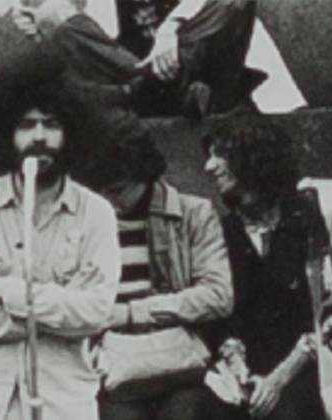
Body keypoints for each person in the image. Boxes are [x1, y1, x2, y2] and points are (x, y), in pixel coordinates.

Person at [0, 48, 121, 420]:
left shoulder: (96, 215)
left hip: (65, 403)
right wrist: (56, 314)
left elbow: (97, 310)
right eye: (26, 124)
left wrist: (7, 293)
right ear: (5, 131)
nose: (40, 136)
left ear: (71, 131)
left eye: (52, 124)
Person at [78, 130, 233, 420]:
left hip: (180, 362)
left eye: (118, 190)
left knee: (187, 412)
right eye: (100, 192)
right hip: (112, 364)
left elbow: (218, 295)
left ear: (145, 177)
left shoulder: (193, 213)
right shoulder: (88, 221)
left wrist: (132, 313)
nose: (108, 201)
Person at [199, 112, 327, 420]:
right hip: (245, 372)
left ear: (251, 159)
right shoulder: (222, 230)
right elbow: (221, 319)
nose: (208, 166)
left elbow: (325, 314)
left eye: (220, 155)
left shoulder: (307, 220)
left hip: (308, 365)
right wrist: (243, 374)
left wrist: (277, 381)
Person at [11, 0, 270, 118]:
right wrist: (37, 19)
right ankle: (157, 84)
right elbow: (83, 27)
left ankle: (168, 85)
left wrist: (171, 28)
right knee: (52, 12)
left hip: (202, 75)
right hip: (134, 79)